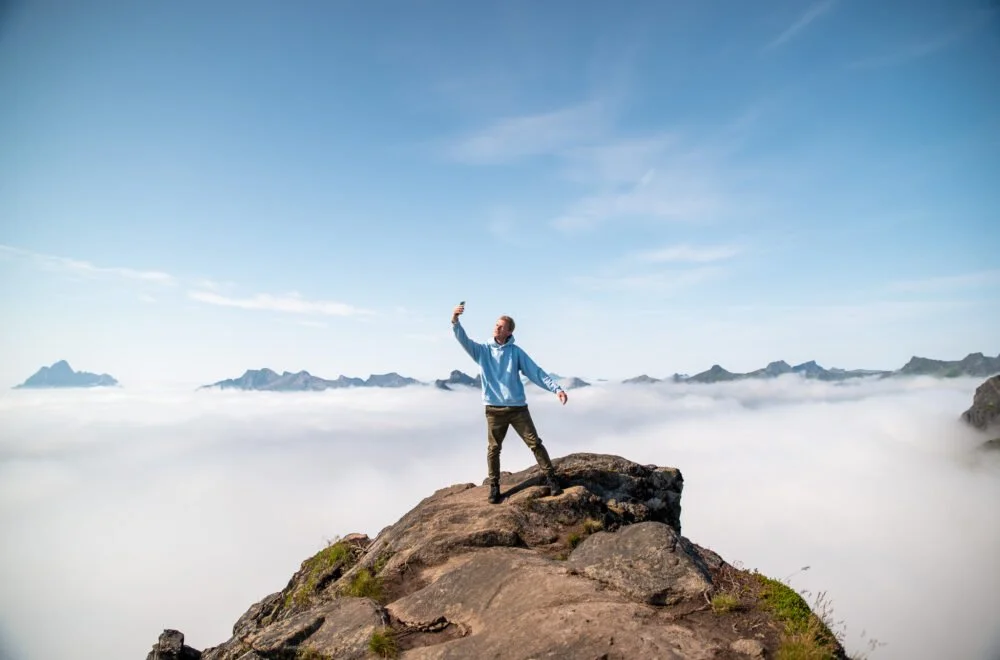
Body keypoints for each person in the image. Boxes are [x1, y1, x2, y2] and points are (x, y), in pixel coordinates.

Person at [451, 302, 567, 504]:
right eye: (496, 324)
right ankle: (494, 487)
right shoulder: (482, 351)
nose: (496, 327)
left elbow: (536, 372)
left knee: (535, 444)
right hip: (494, 409)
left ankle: (552, 479)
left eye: (501, 326)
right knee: (494, 449)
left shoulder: (516, 352)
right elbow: (463, 340)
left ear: (509, 331)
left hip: (517, 409)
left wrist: (556, 389)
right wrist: (455, 320)